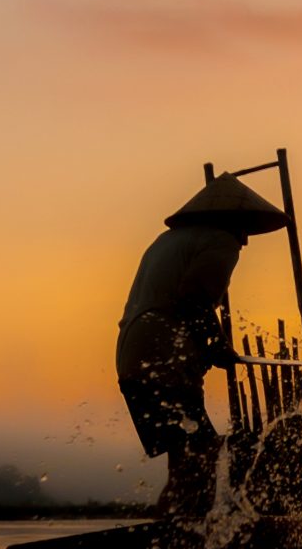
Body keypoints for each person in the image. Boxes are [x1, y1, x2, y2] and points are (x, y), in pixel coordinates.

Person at [116, 172, 289, 524]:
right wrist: (217, 344)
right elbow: (193, 299)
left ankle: (170, 536)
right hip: (163, 355)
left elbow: (179, 301)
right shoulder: (220, 240)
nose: (245, 241)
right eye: (246, 228)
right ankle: (174, 542)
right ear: (232, 221)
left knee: (185, 460)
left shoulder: (166, 241)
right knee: (202, 458)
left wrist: (206, 346)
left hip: (132, 355)